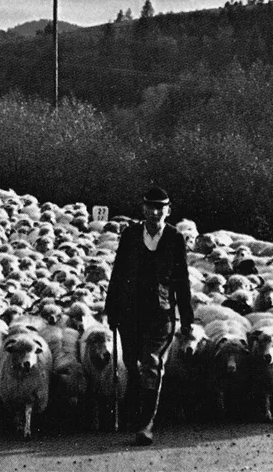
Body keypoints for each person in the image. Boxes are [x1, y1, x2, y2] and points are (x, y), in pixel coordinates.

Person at [103, 186, 193, 446]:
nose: (154, 213)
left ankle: (146, 424)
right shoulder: (130, 235)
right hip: (130, 312)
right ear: (142, 209)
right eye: (150, 207)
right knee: (131, 363)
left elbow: (182, 280)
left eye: (160, 208)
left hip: (161, 314)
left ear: (168, 210)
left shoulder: (175, 238)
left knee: (150, 363)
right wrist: (112, 309)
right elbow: (118, 273)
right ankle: (136, 412)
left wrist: (186, 318)